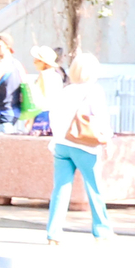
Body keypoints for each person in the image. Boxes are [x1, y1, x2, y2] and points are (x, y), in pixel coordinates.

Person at [43, 51, 112, 244]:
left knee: (61, 190)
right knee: (94, 189)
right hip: (84, 146)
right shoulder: (94, 90)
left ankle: (53, 233)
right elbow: (101, 119)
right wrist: (107, 140)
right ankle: (102, 231)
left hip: (61, 144)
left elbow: (53, 117)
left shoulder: (66, 90)